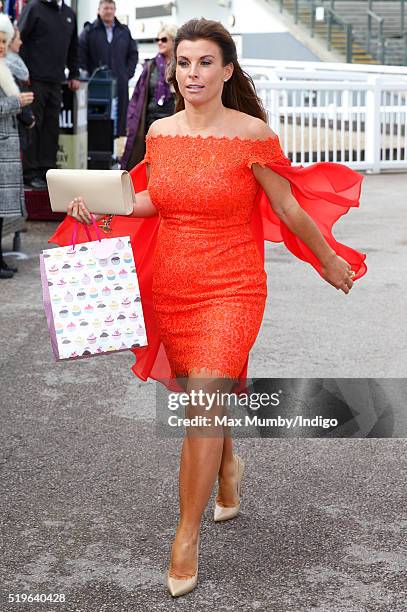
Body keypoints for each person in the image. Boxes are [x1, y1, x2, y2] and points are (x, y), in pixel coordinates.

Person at [48, 18, 367, 597]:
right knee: (203, 398)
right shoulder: (162, 132)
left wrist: (327, 260)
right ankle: (227, 469)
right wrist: (96, 209)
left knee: (202, 403)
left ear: (226, 70)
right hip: (172, 283)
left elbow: (290, 210)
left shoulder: (253, 135)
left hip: (232, 286)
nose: (192, 73)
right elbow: (150, 200)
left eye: (204, 63)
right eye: (184, 63)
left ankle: (186, 535)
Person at [18, 0, 80, 190]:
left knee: (51, 127)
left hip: (57, 81)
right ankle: (30, 173)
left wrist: (75, 74)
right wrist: (21, 72)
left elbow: (73, 48)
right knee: (33, 125)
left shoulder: (69, 14)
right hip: (33, 79)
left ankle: (47, 170)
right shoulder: (34, 7)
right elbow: (18, 40)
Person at [0, 13, 33, 278]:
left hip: (6, 146)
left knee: (2, 210)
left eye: (4, 40)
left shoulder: (4, 67)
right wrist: (17, 102)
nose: (2, 45)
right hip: (2, 148)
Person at [78, 0, 138, 137]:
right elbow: (80, 54)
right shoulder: (89, 30)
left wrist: (127, 73)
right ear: (99, 10)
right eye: (105, 8)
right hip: (97, 84)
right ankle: (99, 150)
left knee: (119, 115)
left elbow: (133, 53)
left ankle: (116, 149)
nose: (109, 11)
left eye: (111, 8)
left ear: (115, 10)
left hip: (119, 82)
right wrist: (88, 75)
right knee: (99, 116)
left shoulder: (124, 31)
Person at [120, 24, 176, 170]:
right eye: (157, 39)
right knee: (148, 165)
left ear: (174, 41)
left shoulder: (181, 66)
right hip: (150, 123)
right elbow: (137, 96)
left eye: (164, 39)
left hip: (172, 124)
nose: (159, 43)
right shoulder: (151, 66)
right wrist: (131, 123)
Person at [6, 25, 35, 152]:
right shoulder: (7, 70)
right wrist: (28, 119)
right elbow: (16, 98)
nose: (21, 42)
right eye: (18, 39)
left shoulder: (17, 65)